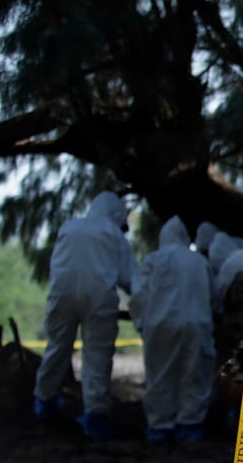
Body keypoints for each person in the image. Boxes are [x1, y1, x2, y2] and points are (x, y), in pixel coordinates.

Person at [33, 190, 136, 441]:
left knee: (57, 348)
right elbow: (130, 279)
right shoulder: (113, 233)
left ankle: (44, 403)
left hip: (62, 296)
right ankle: (95, 417)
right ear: (116, 215)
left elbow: (57, 265)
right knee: (97, 357)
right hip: (99, 300)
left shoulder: (69, 227)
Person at [129, 215, 216, 444]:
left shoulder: (153, 261)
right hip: (197, 323)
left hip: (160, 324)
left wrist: (142, 322)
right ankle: (190, 424)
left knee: (160, 374)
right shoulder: (199, 261)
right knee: (194, 373)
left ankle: (160, 426)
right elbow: (213, 295)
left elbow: (138, 295)